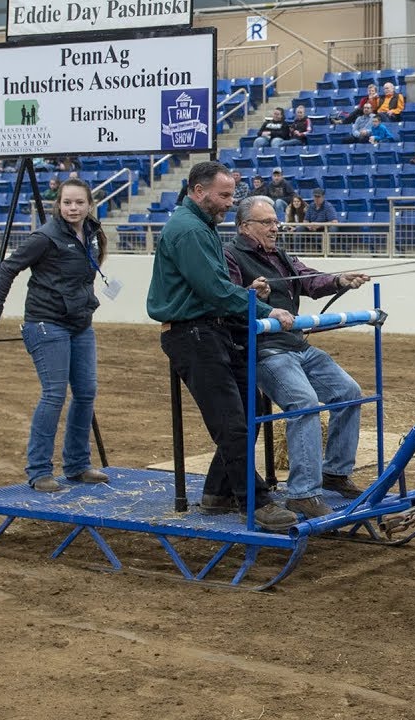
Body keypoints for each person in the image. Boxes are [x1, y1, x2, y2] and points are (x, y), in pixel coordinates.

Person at [146, 161, 298, 532]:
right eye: (225, 194)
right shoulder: (190, 231)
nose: (231, 202)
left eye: (232, 194)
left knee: (246, 411)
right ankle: (256, 501)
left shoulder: (201, 227)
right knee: (232, 421)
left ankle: (217, 492)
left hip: (209, 330)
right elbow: (213, 290)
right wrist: (262, 307)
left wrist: (245, 297)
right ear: (198, 191)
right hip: (193, 334)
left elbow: (213, 288)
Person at [223, 195, 369, 518]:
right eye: (267, 223)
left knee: (348, 392)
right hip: (264, 349)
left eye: (276, 222)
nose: (275, 228)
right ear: (245, 226)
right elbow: (228, 298)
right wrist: (250, 295)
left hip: (297, 345)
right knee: (303, 402)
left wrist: (339, 280)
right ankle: (302, 493)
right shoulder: (231, 256)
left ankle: (335, 472)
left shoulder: (280, 256)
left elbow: (307, 279)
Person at [0, 178, 109, 492]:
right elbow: (8, 268)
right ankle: (39, 471)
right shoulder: (45, 237)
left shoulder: (90, 232)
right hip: (46, 323)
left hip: (79, 323)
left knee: (87, 392)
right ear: (58, 205)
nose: (73, 208)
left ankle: (77, 465)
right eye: (67, 203)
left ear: (89, 204)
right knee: (54, 394)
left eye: (79, 202)